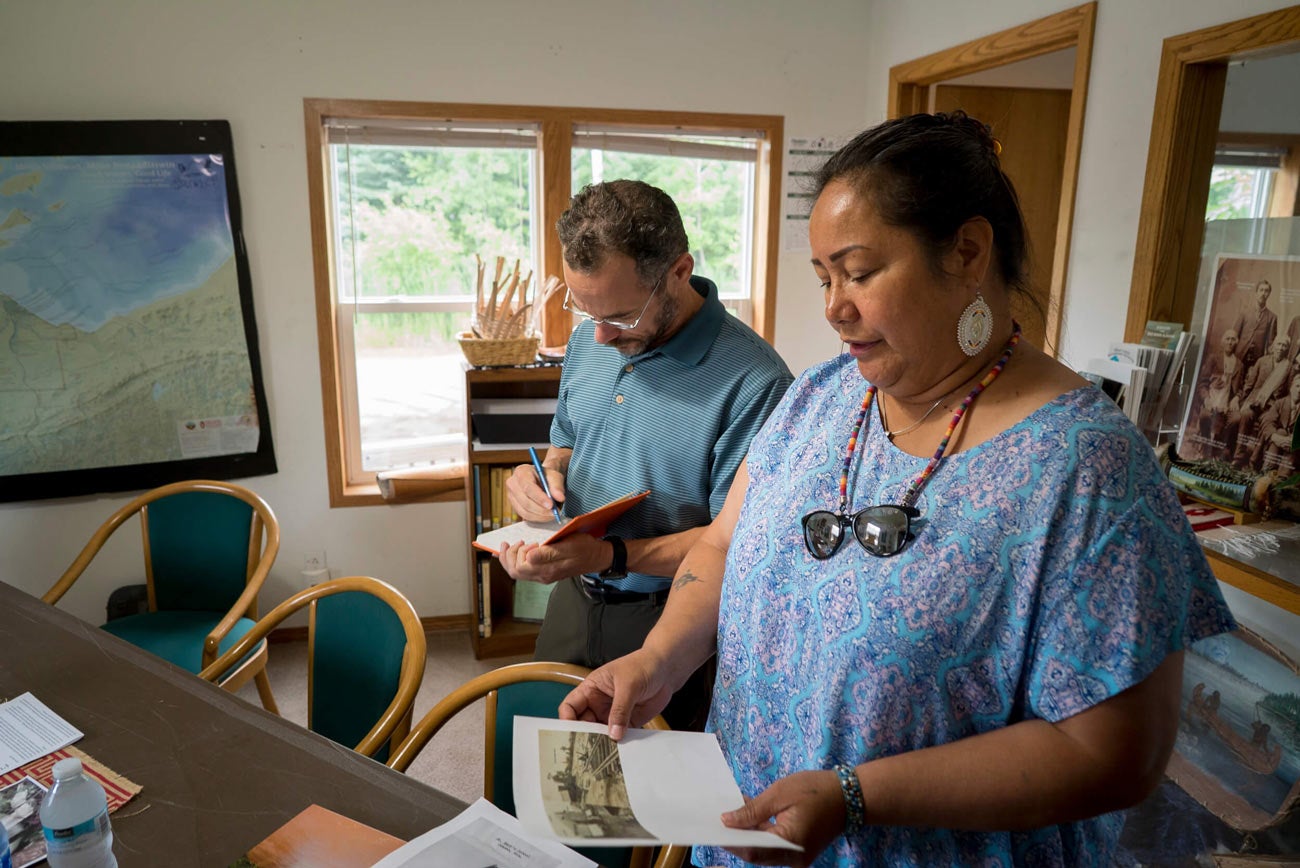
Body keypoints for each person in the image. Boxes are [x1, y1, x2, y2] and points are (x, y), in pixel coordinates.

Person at [559, 113, 1236, 867]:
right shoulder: (816, 401)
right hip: (747, 837)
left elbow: (1112, 756)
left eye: (859, 272)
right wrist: (661, 658)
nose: (832, 307)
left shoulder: (1088, 470)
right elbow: (722, 546)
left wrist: (856, 794)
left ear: (968, 253)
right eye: (823, 278)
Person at [499, 179, 793, 732]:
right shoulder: (591, 339)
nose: (601, 336)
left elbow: (734, 543)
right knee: (551, 763)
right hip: (573, 594)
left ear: (679, 272)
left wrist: (609, 554)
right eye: (584, 309)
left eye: (622, 317)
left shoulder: (756, 383)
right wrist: (540, 476)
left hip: (672, 622)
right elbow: (567, 438)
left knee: (647, 803)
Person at [1229, 278, 1278, 374]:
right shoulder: (1244, 312)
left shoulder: (1272, 317)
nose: (1263, 294)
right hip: (1239, 354)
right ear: (1256, 293)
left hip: (1256, 358)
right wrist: (1231, 354)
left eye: (1266, 291)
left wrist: (1265, 363)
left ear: (1269, 294)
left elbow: (1270, 343)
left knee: (1249, 383)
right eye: (1261, 290)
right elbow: (1234, 334)